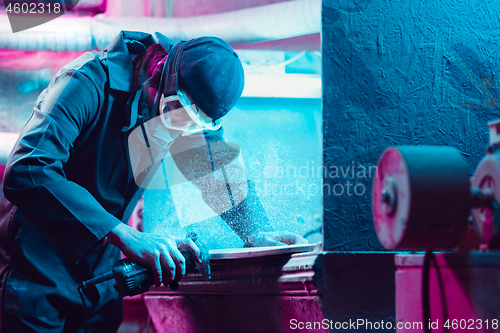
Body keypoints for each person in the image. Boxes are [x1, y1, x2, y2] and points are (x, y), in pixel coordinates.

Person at [0, 30, 306, 332]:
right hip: (32, 279)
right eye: (179, 114)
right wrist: (126, 236)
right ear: (160, 72)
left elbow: (216, 172)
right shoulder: (86, 82)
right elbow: (27, 169)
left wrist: (257, 232)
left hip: (98, 286)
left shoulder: (182, 112)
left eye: (194, 125)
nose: (180, 132)